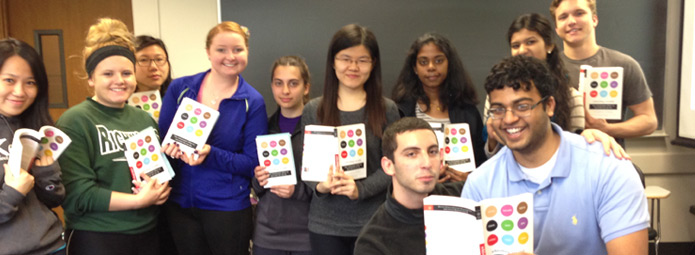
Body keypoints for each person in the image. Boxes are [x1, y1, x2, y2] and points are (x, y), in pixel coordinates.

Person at [462, 55, 648, 255]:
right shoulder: (479, 185)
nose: (509, 119)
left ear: (549, 105)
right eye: (498, 109)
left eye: (522, 106)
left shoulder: (608, 168)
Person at [56, 18, 171, 255]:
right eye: (108, 73)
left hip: (148, 233)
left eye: (127, 73)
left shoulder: (144, 120)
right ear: (90, 79)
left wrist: (158, 190)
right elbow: (78, 195)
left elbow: (154, 173)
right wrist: (139, 201)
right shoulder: (74, 121)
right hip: (96, 237)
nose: (119, 80)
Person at [158, 21, 267, 255]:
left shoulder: (252, 101)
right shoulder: (181, 89)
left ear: (247, 51)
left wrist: (210, 154)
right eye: (221, 49)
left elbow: (251, 163)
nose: (230, 56)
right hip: (180, 204)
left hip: (227, 207)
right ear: (208, 52)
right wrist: (169, 149)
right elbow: (164, 141)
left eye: (238, 49)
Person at [301, 24, 400, 255]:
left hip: (374, 223)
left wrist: (361, 189)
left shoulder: (388, 109)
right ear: (333, 62)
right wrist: (321, 186)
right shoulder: (314, 109)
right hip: (325, 225)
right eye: (345, 58)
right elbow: (306, 167)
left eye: (362, 60)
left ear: (373, 64)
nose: (353, 67)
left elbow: (394, 163)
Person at [550, 0, 657, 146]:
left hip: (608, 160)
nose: (571, 21)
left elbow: (649, 121)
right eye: (563, 17)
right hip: (561, 161)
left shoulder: (624, 64)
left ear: (594, 19)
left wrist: (607, 129)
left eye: (579, 13)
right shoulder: (547, 69)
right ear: (556, 28)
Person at [354, 117, 464, 255]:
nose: (427, 163)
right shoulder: (373, 243)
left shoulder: (464, 196)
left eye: (432, 152)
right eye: (411, 154)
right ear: (388, 166)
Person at [0, 38, 65, 255]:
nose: (20, 92)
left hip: (52, 245)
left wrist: (47, 174)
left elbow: (54, 200)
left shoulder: (36, 128)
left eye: (30, 82)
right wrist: (12, 193)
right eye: (9, 80)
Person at [485, 13, 583, 157]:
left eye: (530, 42)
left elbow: (576, 148)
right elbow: (490, 154)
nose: (523, 50)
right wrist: (494, 139)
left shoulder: (571, 96)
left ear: (549, 45)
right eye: (516, 45)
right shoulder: (496, 95)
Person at [392, 32, 484, 182]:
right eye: (423, 62)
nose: (431, 67)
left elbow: (482, 162)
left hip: (460, 195)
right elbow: (394, 161)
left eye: (438, 60)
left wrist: (470, 179)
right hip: (416, 198)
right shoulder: (400, 110)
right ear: (414, 68)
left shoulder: (467, 110)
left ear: (449, 64)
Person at [252, 55, 313, 255]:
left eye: (293, 84)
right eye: (279, 83)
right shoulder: (262, 126)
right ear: (272, 86)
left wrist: (297, 190)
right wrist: (258, 179)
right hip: (268, 234)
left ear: (305, 88)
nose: (285, 91)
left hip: (308, 235)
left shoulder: (319, 128)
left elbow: (328, 182)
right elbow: (253, 182)